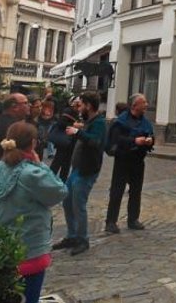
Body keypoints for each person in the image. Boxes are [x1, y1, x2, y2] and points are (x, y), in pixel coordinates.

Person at [0, 121, 68, 303]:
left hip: (0, 252)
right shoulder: (32, 174)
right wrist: (40, 164)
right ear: (33, 143)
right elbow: (59, 192)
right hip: (31, 251)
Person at [55, 91, 106, 255]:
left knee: (78, 205)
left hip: (87, 170)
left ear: (88, 106)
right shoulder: (89, 121)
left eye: (81, 105)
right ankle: (72, 235)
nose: (79, 108)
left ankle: (82, 239)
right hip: (77, 169)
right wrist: (80, 129)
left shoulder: (100, 122)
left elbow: (95, 141)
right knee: (67, 201)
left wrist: (78, 133)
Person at [104, 93, 155, 234]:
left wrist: (150, 140)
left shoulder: (145, 122)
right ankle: (111, 221)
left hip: (138, 160)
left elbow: (150, 134)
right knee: (117, 191)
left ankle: (133, 219)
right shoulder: (121, 121)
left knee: (136, 191)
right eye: (143, 102)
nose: (146, 105)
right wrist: (134, 141)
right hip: (123, 159)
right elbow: (116, 139)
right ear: (134, 105)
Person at [49, 106, 78, 182]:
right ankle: (50, 179)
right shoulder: (68, 111)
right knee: (57, 162)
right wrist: (73, 125)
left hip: (72, 142)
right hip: (63, 142)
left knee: (67, 164)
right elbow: (61, 123)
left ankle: (62, 181)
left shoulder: (81, 113)